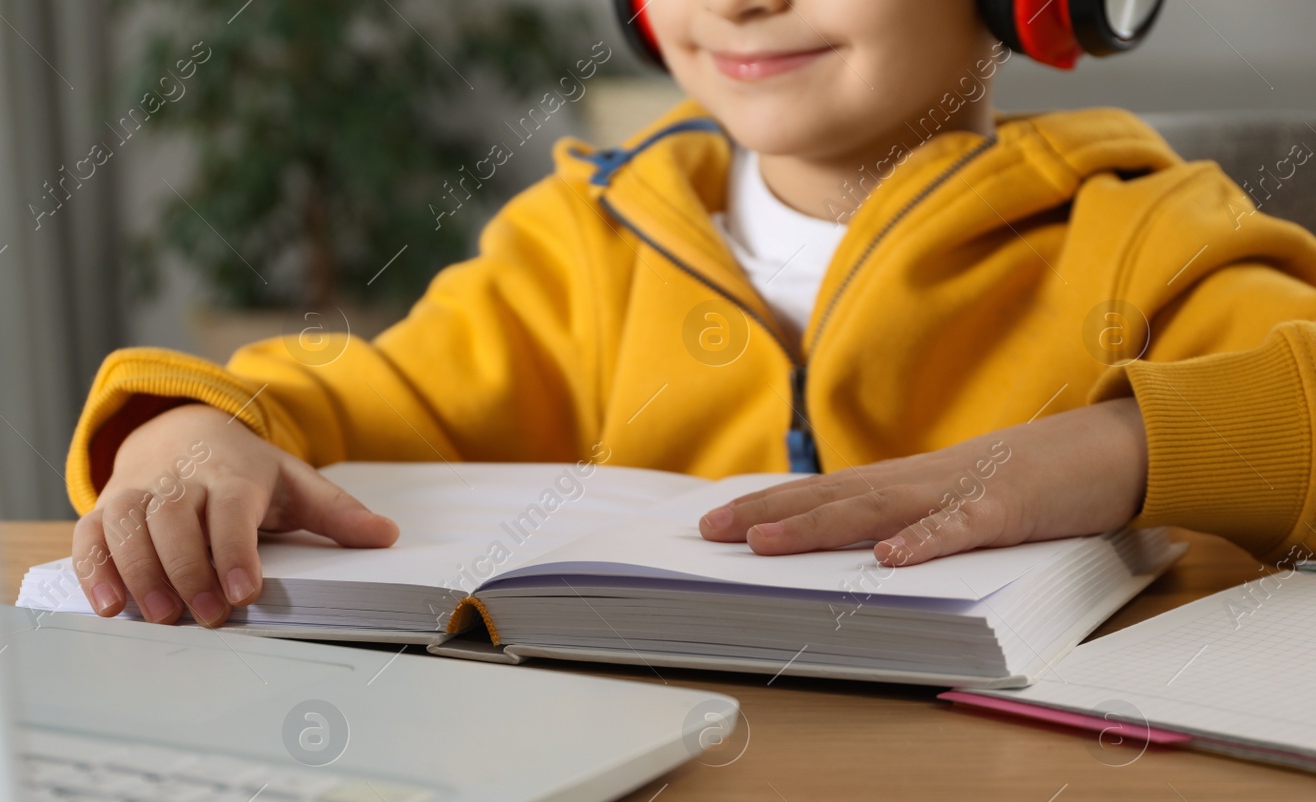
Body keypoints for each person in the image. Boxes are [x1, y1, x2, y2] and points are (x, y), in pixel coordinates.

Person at [64, 0, 1316, 627]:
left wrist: (1110, 452)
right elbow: (332, 409)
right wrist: (191, 434)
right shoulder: (581, 249)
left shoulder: (1143, 236)